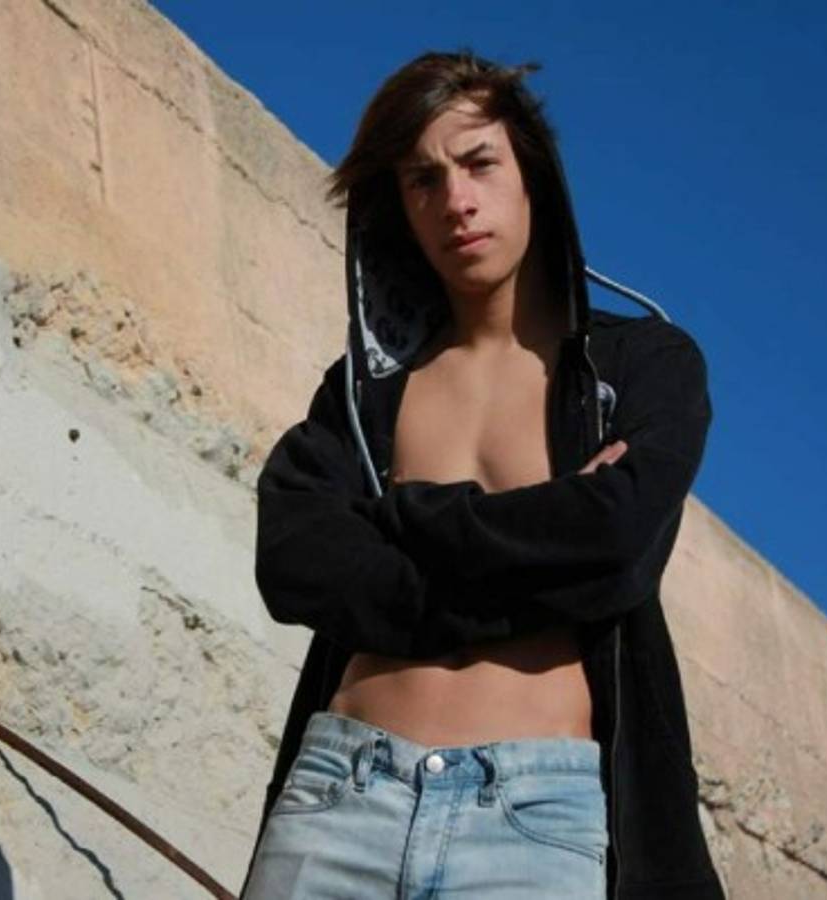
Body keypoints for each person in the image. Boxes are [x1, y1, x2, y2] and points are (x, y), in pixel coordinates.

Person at [239, 50, 725, 899]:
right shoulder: (365, 389)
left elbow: (615, 543)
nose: (455, 201)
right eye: (422, 180)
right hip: (340, 795)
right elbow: (294, 559)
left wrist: (399, 516)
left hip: (535, 816)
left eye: (478, 163)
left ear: (533, 175)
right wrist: (545, 540)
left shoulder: (640, 364)